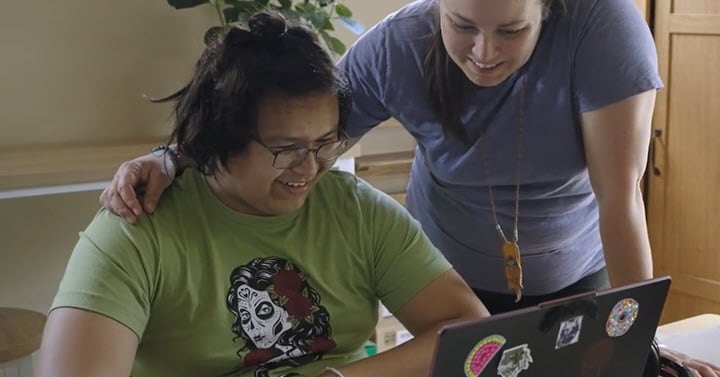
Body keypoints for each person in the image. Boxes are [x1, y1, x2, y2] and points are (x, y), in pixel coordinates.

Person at [102, 0, 660, 314]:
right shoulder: (398, 45)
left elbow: (620, 197)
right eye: (461, 27)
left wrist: (642, 337)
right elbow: (288, 132)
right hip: (446, 277)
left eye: (511, 31)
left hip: (580, 269)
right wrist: (170, 159)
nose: (484, 55)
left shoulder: (605, 29)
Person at [36, 12, 489, 377]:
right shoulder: (137, 228)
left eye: (324, 144)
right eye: (285, 150)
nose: (310, 169)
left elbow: (473, 333)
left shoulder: (355, 210)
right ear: (221, 137)